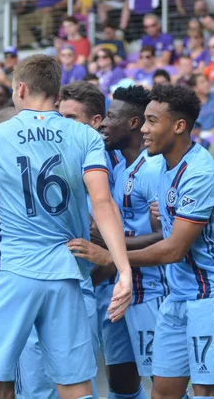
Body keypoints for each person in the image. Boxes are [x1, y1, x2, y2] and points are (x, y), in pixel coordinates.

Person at [0, 54, 132, 399]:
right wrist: (124, 270)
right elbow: (102, 203)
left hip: (13, 269)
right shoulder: (85, 137)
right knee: (75, 387)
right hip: (66, 273)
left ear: (21, 88)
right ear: (56, 93)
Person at [70, 84, 214, 398]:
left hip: (213, 292)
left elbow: (174, 248)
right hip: (177, 294)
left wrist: (112, 257)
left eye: (152, 121)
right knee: (163, 391)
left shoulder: (200, 174)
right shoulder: (164, 166)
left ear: (179, 126)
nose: (144, 129)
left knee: (207, 392)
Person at [74, 85, 171, 399]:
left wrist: (107, 246)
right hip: (120, 289)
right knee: (122, 383)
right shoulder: (118, 168)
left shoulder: (155, 168)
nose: (102, 124)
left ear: (132, 123)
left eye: (111, 117)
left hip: (153, 290)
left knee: (166, 383)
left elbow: (171, 238)